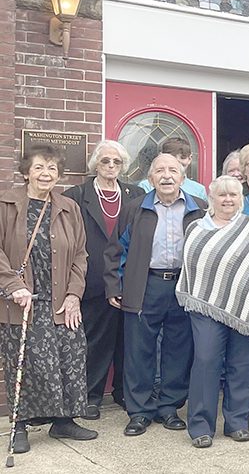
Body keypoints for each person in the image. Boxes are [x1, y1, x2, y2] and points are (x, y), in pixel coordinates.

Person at [176, 176, 249, 448]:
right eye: (222, 195)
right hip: (205, 305)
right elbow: (191, 266)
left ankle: (238, 422)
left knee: (244, 363)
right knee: (205, 360)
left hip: (246, 305)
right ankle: (201, 426)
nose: (228, 200)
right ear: (211, 198)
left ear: (241, 198)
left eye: (233, 195)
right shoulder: (196, 228)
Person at [1, 143, 96, 453]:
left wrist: (74, 294)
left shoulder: (69, 208)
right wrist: (13, 284)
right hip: (23, 302)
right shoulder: (6, 204)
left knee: (70, 359)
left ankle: (63, 421)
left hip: (60, 301)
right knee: (25, 363)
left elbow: (80, 254)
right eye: (39, 167)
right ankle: (20, 426)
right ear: (26, 171)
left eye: (52, 168)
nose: (46, 173)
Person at [105, 153, 206, 437]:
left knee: (178, 349)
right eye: (159, 170)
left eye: (173, 170)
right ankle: (139, 412)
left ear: (183, 177)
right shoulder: (134, 209)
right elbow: (115, 252)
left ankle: (169, 408)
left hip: (183, 287)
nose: (166, 175)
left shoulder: (199, 208)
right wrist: (115, 285)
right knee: (139, 351)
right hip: (144, 285)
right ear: (150, 179)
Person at [62, 140, 144, 419]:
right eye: (105, 161)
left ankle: (124, 392)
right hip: (92, 280)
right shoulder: (76, 194)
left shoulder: (136, 193)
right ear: (95, 164)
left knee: (128, 340)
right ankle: (91, 397)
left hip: (129, 279)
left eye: (116, 162)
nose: (110, 166)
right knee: (95, 341)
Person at [137, 137, 208, 200]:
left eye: (183, 157)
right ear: (161, 156)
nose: (177, 161)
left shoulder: (199, 190)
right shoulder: (145, 186)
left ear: (190, 158)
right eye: (172, 157)